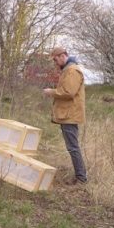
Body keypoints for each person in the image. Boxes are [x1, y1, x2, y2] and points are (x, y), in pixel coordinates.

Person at [43, 46, 87, 184]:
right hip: (67, 114)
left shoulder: (72, 71)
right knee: (72, 147)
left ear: (63, 56)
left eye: (56, 60)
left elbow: (69, 92)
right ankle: (80, 177)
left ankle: (81, 178)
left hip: (69, 115)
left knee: (73, 147)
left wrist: (51, 92)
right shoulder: (68, 70)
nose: (55, 63)